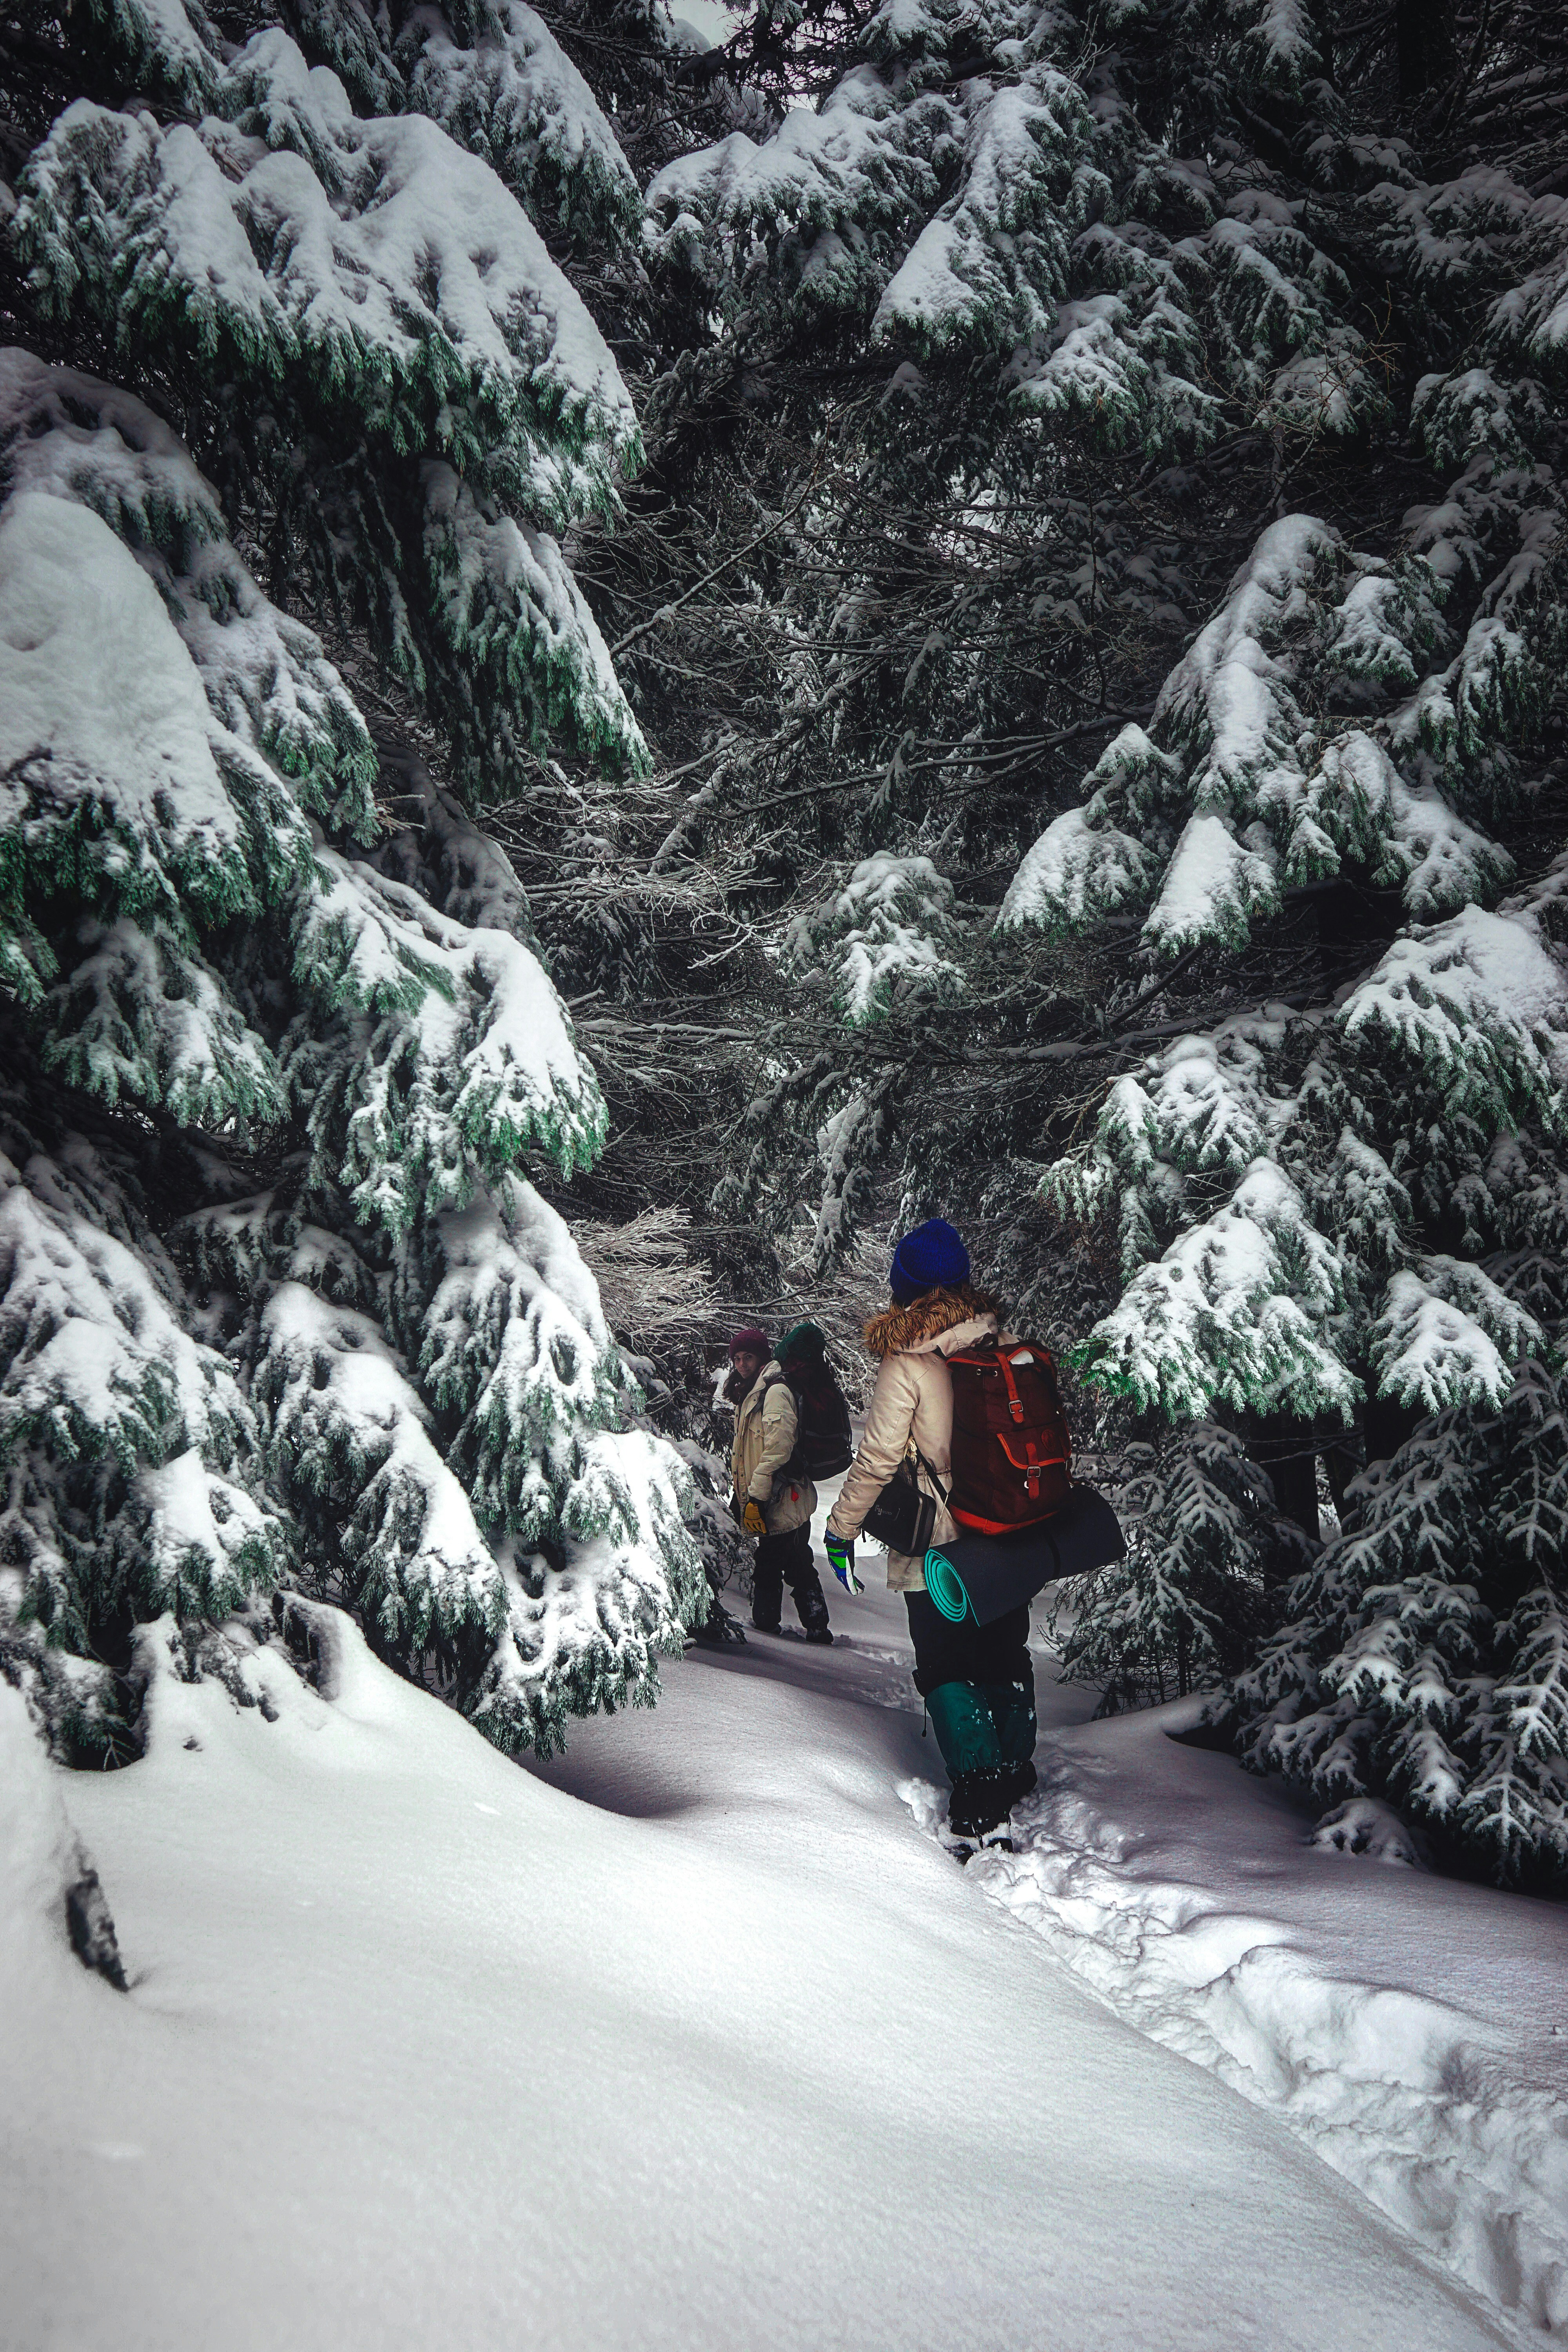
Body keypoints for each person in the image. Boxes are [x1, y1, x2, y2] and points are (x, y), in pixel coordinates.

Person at [822, 1220, 1037, 1847]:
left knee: (946, 1662)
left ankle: (978, 1788)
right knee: (1004, 1650)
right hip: (1007, 1528)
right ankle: (1016, 1766)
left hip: (941, 1541)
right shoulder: (1002, 1338)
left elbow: (878, 1459)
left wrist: (840, 1532)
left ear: (905, 1286)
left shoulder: (909, 1359)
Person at [726, 1326, 832, 1644]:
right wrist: (744, 1495)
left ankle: (798, 1628)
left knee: (791, 1561)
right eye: (737, 1358)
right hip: (770, 1494)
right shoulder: (751, 1393)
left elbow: (778, 1448)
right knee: (781, 1559)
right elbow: (747, 1451)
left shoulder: (775, 1391)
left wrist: (755, 1496)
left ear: (763, 1357)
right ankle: (787, 1625)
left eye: (749, 1357)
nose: (742, 1364)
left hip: (786, 1493)